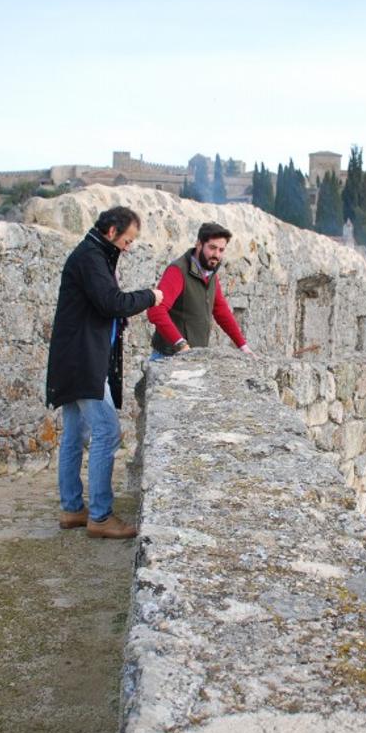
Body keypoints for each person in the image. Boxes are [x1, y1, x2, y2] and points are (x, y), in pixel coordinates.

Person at [46, 206, 162, 540]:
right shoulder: (91, 257)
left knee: (74, 432)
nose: (128, 247)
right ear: (112, 232)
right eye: (127, 240)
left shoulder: (94, 253)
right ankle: (100, 515)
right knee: (107, 430)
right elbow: (111, 303)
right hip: (83, 361)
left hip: (74, 357)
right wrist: (150, 297)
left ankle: (71, 509)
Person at [147, 222, 252, 357]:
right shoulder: (178, 271)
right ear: (199, 244)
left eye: (221, 250)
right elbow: (155, 311)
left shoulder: (210, 272)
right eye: (212, 248)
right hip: (169, 358)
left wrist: (243, 346)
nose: (217, 255)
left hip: (194, 358)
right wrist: (181, 345)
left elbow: (221, 310)